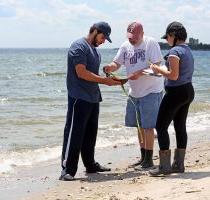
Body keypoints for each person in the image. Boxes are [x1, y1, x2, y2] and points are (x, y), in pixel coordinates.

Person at [60, 22, 121, 181]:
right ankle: (67, 170)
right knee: (74, 134)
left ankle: (90, 164)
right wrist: (104, 81)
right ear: (95, 31)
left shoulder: (95, 51)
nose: (102, 41)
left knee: (90, 135)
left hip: (93, 97)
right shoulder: (79, 46)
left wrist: (107, 75)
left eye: (105, 39)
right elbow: (81, 73)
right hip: (78, 97)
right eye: (102, 37)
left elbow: (92, 74)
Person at [103, 21, 164, 170]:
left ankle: (149, 160)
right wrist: (109, 67)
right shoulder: (126, 45)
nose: (132, 39)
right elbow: (116, 63)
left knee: (148, 126)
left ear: (142, 34)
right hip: (134, 92)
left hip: (151, 90)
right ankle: (143, 157)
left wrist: (140, 73)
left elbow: (157, 66)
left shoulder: (151, 43)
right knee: (139, 126)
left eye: (135, 37)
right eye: (130, 37)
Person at [149, 21, 195, 176]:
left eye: (167, 37)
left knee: (160, 126)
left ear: (174, 36)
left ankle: (164, 166)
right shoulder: (187, 50)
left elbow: (173, 76)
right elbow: (179, 73)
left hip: (176, 92)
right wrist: (163, 70)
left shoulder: (175, 51)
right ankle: (178, 165)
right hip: (188, 90)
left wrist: (157, 69)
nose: (166, 40)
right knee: (180, 126)